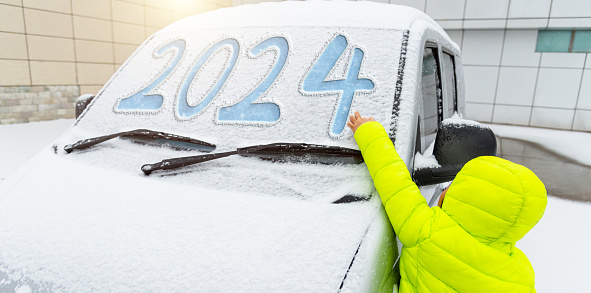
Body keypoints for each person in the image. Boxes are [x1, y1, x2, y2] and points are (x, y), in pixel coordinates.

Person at [347, 111, 547, 292]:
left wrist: (368, 132)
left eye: (455, 185)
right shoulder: (521, 273)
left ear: (460, 198)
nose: (446, 188)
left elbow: (393, 178)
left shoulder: (426, 230)